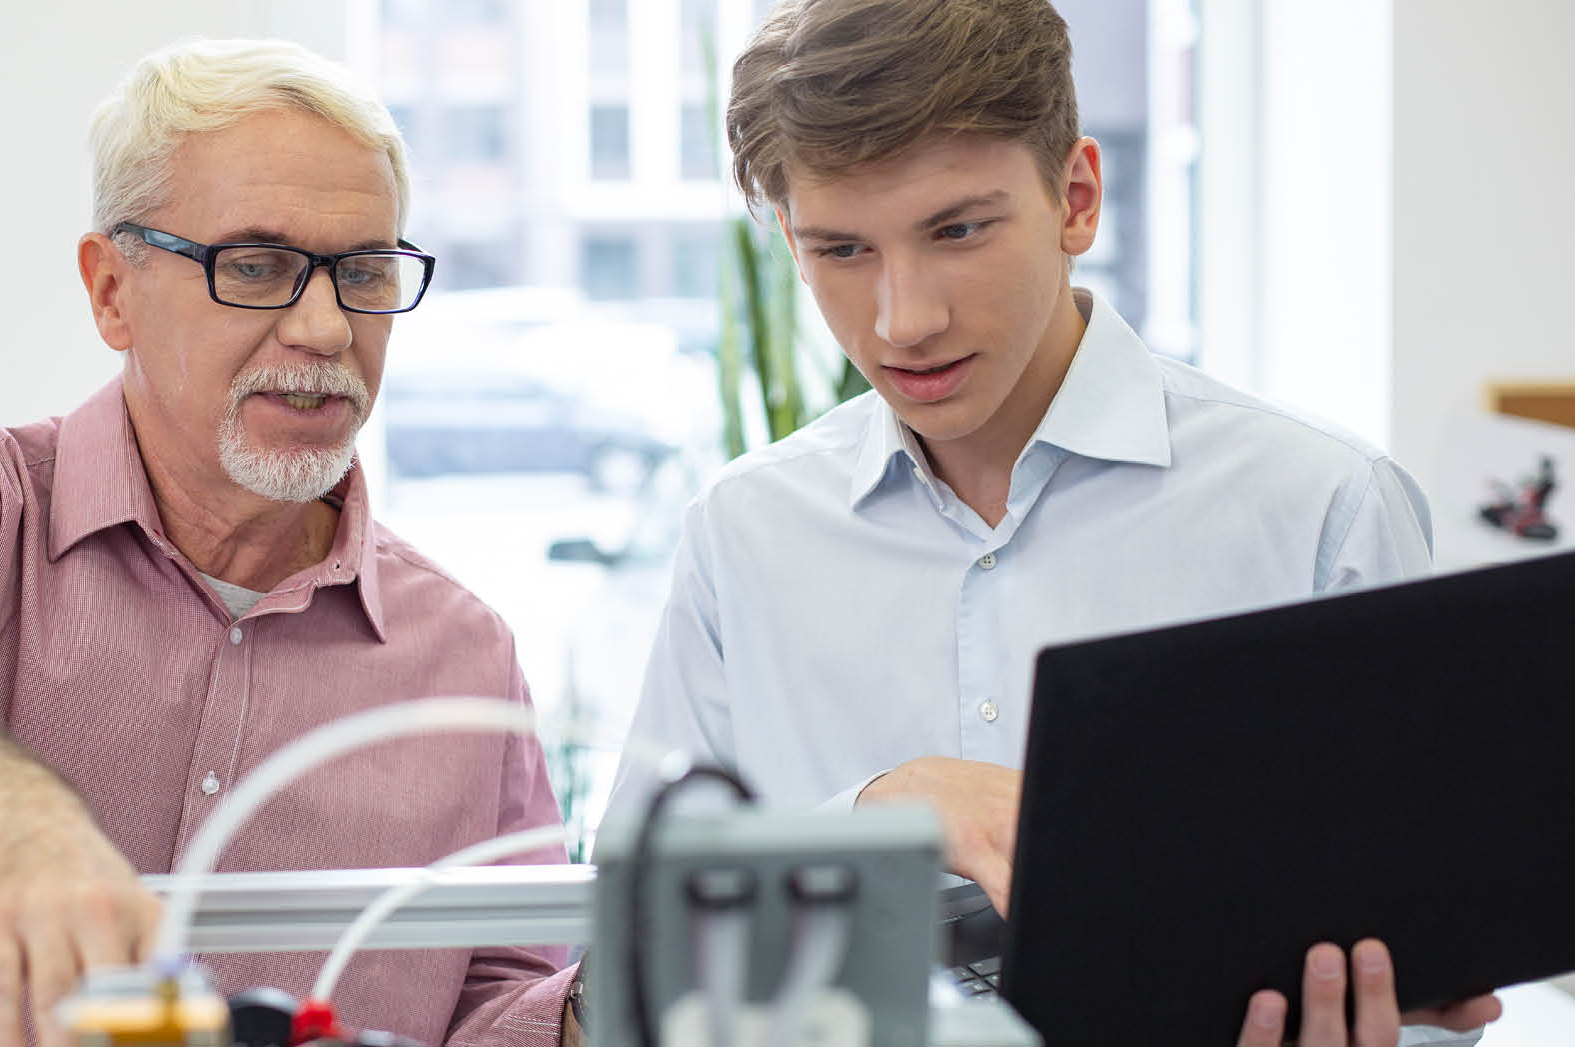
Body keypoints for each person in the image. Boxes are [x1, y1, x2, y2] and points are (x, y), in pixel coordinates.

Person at [608, 1, 1502, 1043]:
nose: (903, 320)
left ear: (1074, 198)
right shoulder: (742, 533)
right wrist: (877, 813)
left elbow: (1437, 973)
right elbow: (630, 945)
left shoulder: (1320, 509)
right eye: (840, 250)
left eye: (956, 230)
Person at [0, 38, 575, 1047]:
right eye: (257, 266)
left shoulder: (462, 656)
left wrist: (605, 1002)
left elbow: (497, 1001)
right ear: (112, 291)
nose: (327, 328)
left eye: (365, 272)